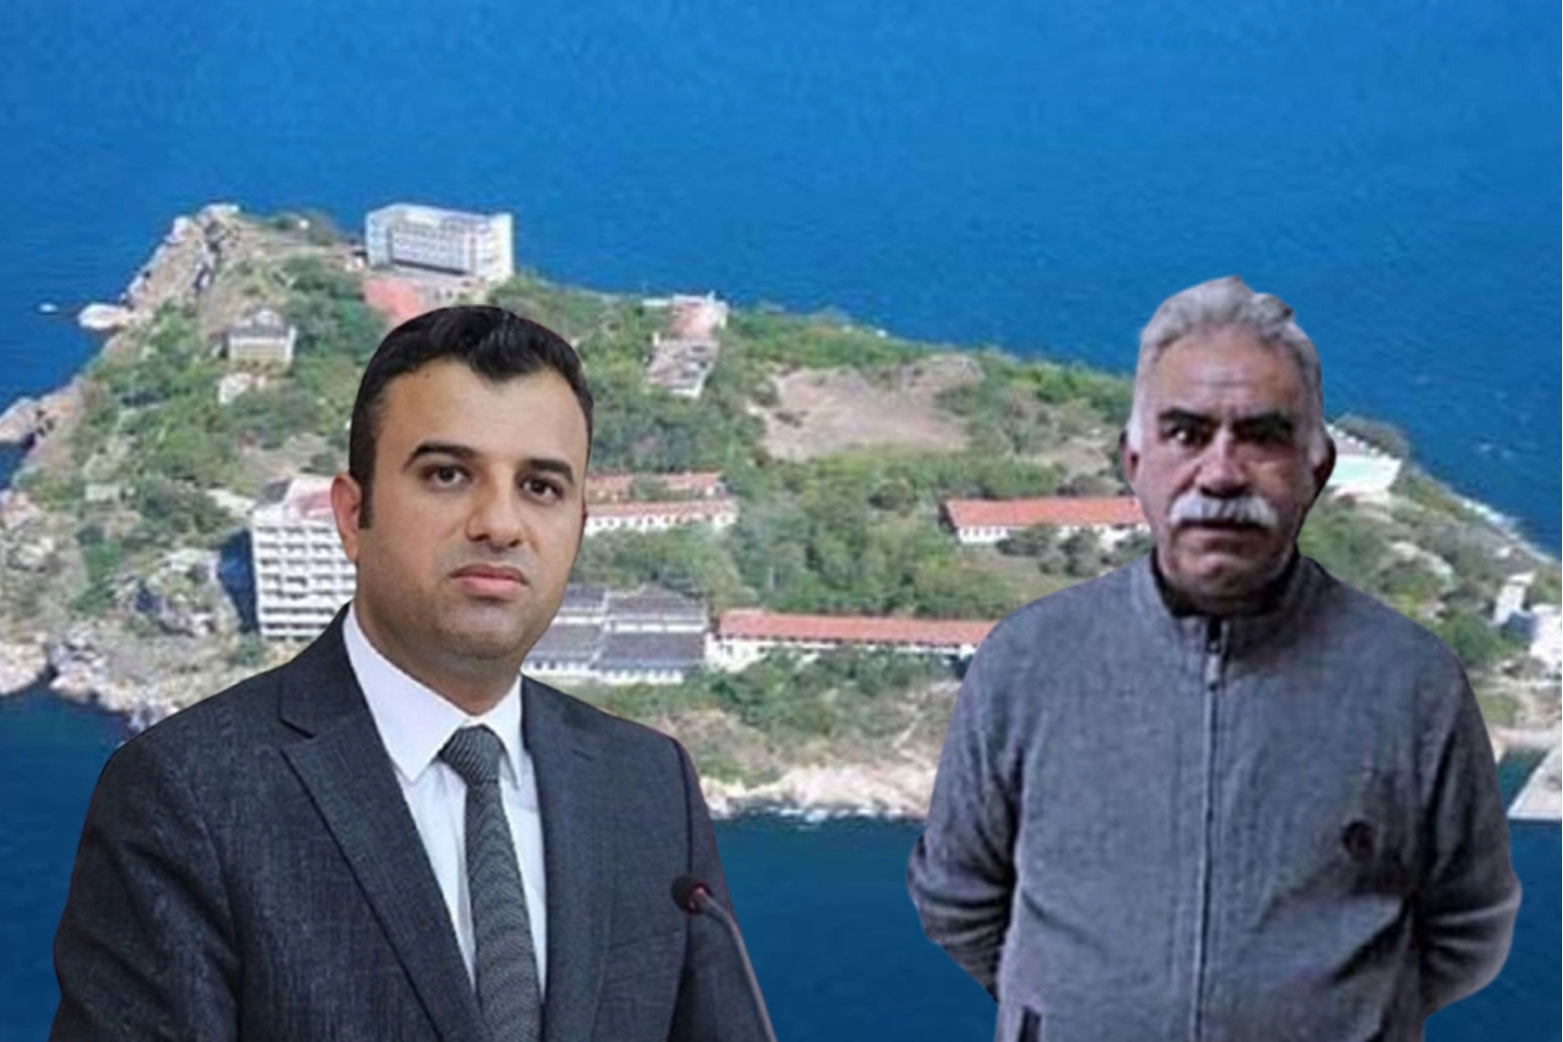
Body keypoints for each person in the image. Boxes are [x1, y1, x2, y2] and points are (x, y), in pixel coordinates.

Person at [52, 307, 769, 1042]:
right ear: (351, 515)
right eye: (447, 475)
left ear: (578, 528)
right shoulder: (187, 795)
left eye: (541, 487)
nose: (500, 524)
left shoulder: (649, 785)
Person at [908, 276, 1520, 1042]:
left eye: (1261, 436)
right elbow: (957, 897)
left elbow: (1468, 922)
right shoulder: (1027, 663)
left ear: (1316, 469)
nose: (1221, 473)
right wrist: (1062, 1012)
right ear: (1134, 460)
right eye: (1185, 433)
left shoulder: (1410, 682)